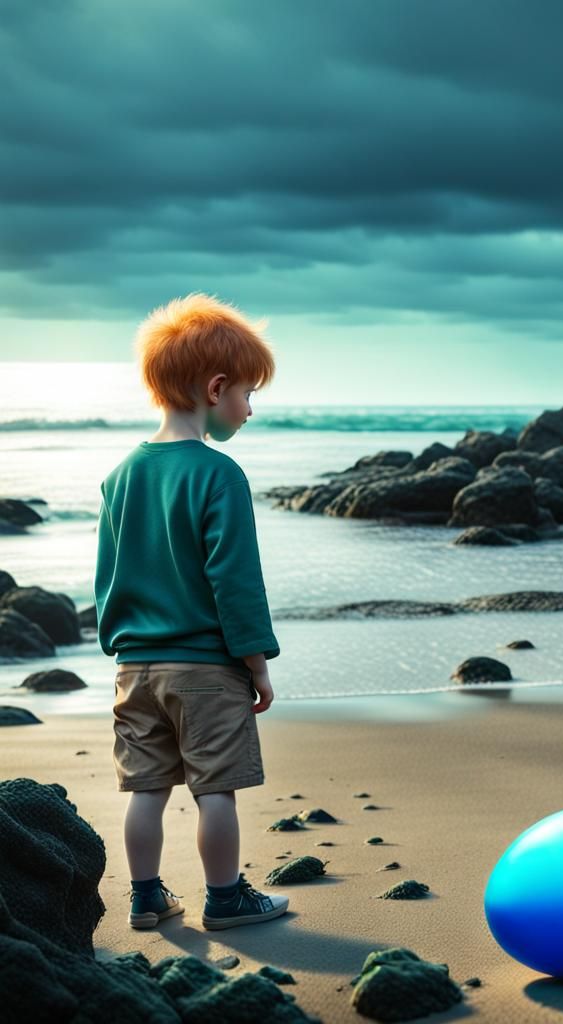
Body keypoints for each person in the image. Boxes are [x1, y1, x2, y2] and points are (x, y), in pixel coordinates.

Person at [93, 291, 289, 931]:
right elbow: (234, 580)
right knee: (215, 790)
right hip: (206, 668)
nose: (250, 409)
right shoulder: (219, 475)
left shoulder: (120, 476)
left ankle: (146, 898)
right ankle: (226, 898)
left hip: (136, 666)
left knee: (145, 789)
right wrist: (256, 663)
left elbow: (109, 575)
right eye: (247, 395)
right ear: (216, 387)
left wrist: (119, 644)